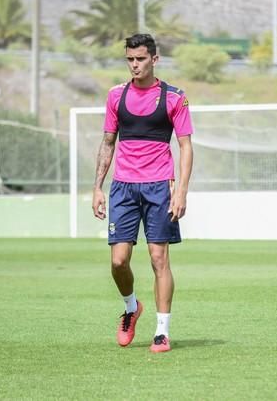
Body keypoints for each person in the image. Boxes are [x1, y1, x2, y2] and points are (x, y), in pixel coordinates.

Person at [92, 33, 193, 353]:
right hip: (122, 187)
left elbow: (186, 146)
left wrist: (182, 192)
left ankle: (162, 332)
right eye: (130, 59)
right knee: (119, 261)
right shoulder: (115, 96)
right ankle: (132, 307)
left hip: (159, 186)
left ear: (154, 59)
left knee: (158, 257)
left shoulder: (174, 97)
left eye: (140, 59)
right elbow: (108, 143)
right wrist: (97, 188)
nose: (134, 65)